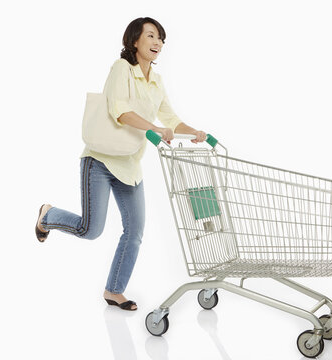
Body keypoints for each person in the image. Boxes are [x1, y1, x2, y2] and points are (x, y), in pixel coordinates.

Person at [35, 17, 206, 311]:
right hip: (99, 161)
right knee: (91, 230)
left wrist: (194, 132)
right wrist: (153, 129)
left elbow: (170, 119)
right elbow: (120, 112)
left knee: (135, 231)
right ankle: (48, 215)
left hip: (129, 165)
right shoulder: (121, 70)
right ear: (134, 41)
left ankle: (114, 291)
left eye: (161, 39)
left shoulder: (157, 81)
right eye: (151, 36)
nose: (157, 43)